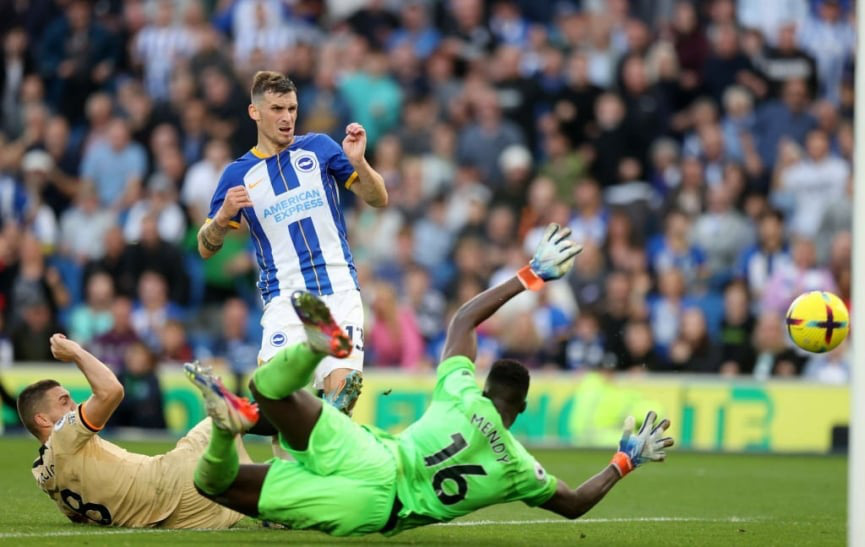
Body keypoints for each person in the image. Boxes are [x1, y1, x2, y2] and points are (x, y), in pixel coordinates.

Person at [186, 224, 674, 536]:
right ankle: (230, 430)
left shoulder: (461, 394)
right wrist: (623, 460)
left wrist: (529, 275)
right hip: (376, 506)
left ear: (484, 388)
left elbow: (463, 320)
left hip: (371, 452)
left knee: (268, 392)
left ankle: (312, 351)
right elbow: (574, 505)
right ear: (519, 411)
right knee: (216, 487)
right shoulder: (519, 467)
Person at [197, 70, 387, 414]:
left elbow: (378, 198)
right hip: (285, 300)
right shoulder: (238, 175)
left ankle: (320, 444)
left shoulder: (320, 148)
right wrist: (223, 217)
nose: (287, 118)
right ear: (255, 112)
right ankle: (280, 450)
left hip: (339, 290)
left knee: (343, 393)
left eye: (292, 109)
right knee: (282, 409)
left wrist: (359, 162)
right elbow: (205, 247)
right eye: (277, 109)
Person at [16, 334, 258, 528]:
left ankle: (273, 502)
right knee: (242, 412)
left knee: (244, 477)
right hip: (174, 484)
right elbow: (111, 391)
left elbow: (79, 515)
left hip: (174, 517)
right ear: (42, 420)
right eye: (64, 401)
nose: (74, 405)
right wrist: (76, 352)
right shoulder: (63, 435)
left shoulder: (42, 472)